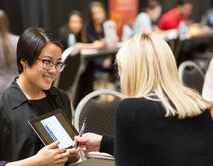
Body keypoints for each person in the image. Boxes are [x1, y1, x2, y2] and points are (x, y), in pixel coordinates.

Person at [75, 32, 213, 166]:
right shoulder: (196, 104)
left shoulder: (132, 110)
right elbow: (165, 149)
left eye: (120, 71)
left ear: (131, 73)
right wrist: (105, 143)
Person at [0, 27, 80, 166]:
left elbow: (70, 155)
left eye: (58, 63)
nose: (54, 70)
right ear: (24, 61)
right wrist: (36, 162)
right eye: (47, 62)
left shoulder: (61, 98)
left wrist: (72, 155)